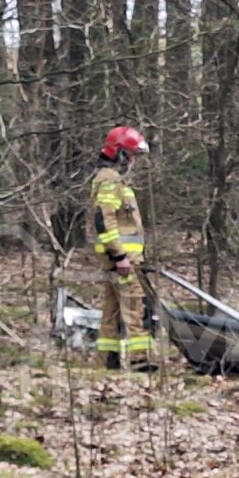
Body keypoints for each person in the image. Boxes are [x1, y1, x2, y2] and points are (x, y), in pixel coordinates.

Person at [90, 126, 154, 370]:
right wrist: (120, 257)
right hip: (122, 261)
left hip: (117, 261)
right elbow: (103, 220)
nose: (133, 161)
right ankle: (141, 362)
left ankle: (108, 360)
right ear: (120, 154)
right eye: (131, 155)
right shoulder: (110, 182)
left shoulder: (110, 180)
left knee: (112, 312)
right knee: (135, 309)